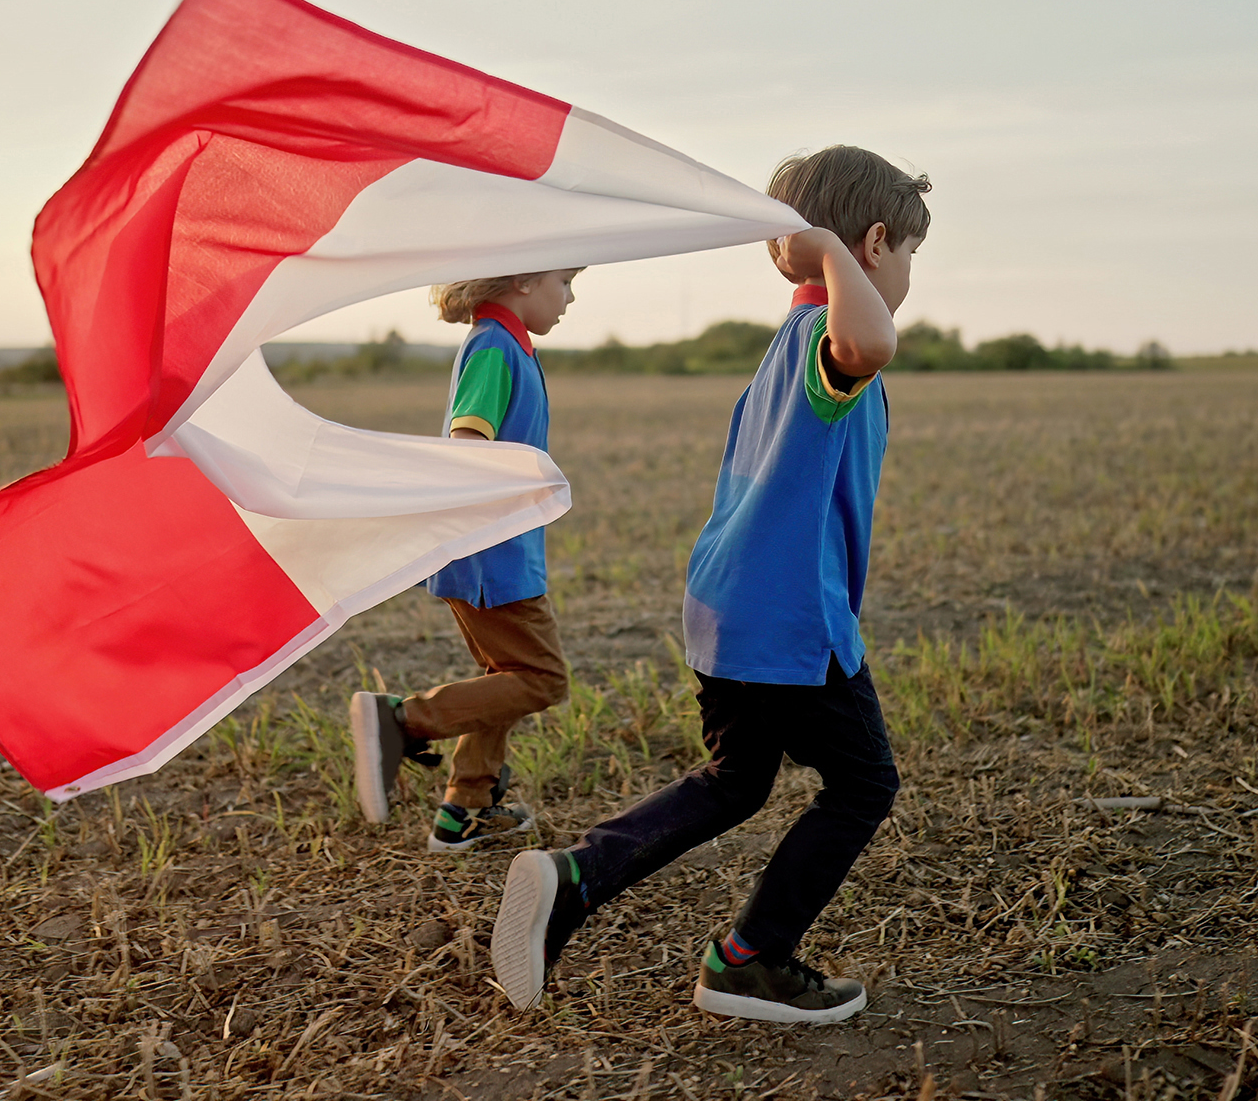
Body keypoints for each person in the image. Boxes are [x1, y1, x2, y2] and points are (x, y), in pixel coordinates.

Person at [490, 146, 929, 1022]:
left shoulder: (789, 342)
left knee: (738, 780)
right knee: (864, 784)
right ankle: (749, 960)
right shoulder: (828, 343)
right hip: (787, 618)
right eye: (909, 250)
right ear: (875, 244)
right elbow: (871, 339)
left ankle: (576, 876)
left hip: (727, 605)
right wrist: (831, 256)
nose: (909, 270)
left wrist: (824, 259)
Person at [350, 269, 580, 853]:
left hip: (493, 549)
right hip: (492, 554)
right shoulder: (494, 347)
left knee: (504, 674)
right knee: (540, 678)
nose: (571, 297)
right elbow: (467, 443)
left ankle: (466, 808)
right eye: (565, 281)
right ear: (524, 282)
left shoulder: (507, 344)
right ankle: (402, 722)